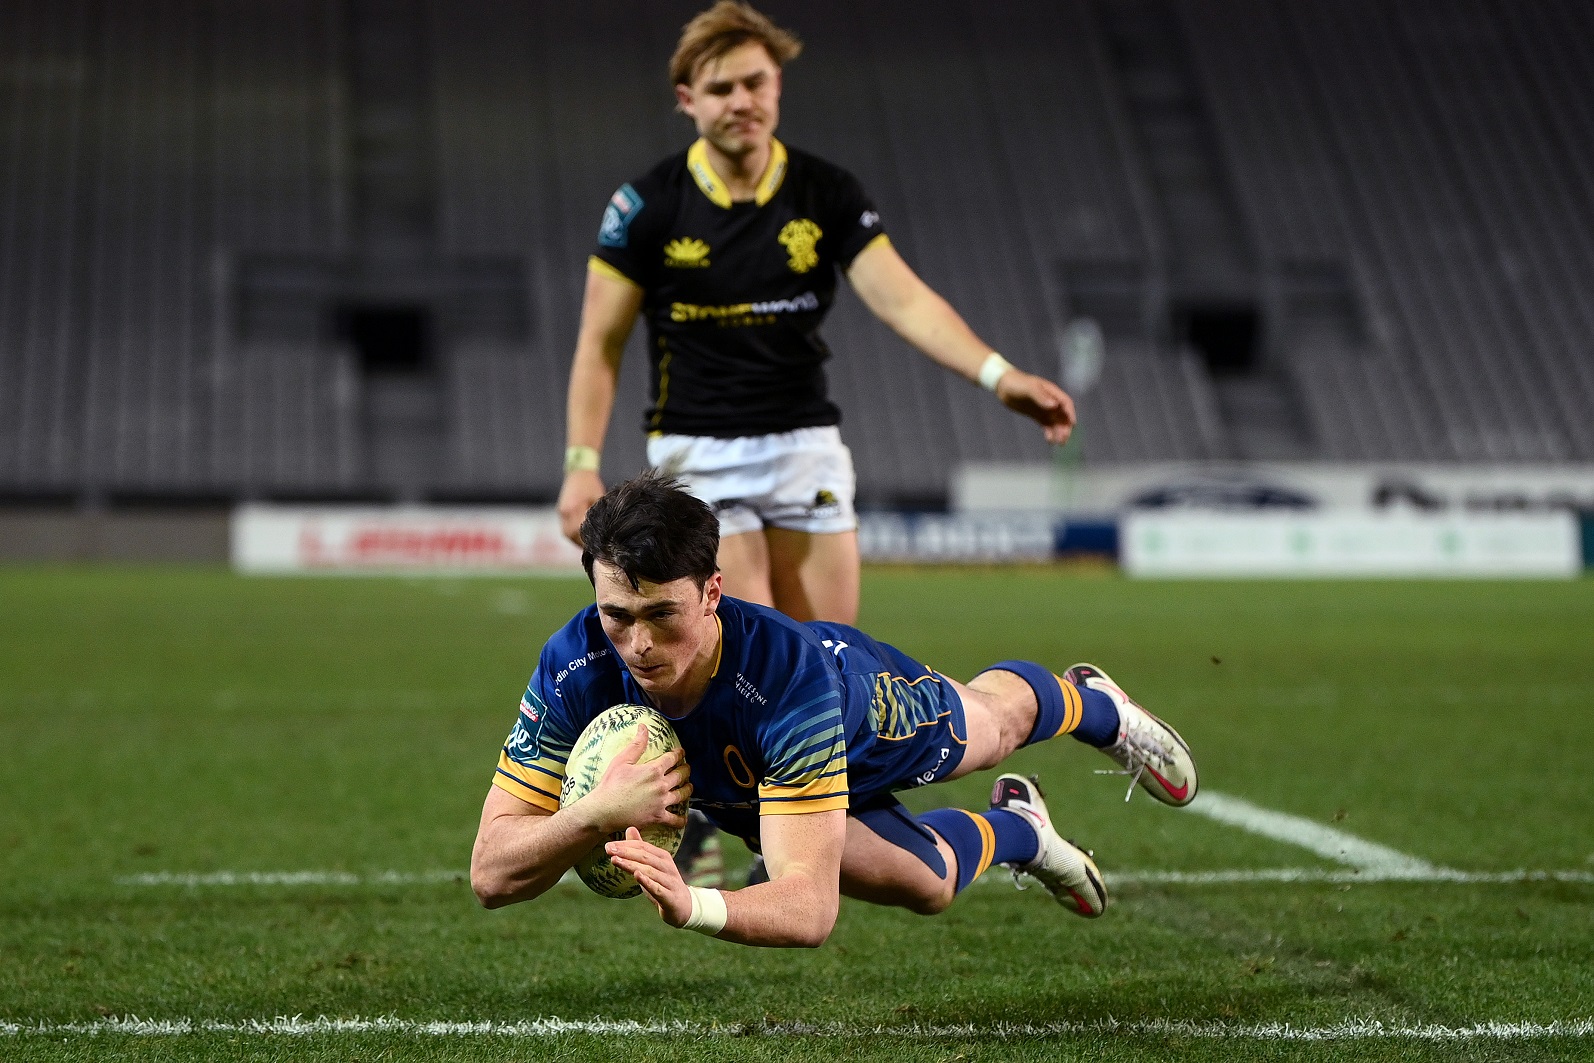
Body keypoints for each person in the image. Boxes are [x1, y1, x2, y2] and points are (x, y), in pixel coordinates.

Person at [472, 473, 1197, 947]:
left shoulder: (788, 683)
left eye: (663, 614)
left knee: (995, 729)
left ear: (714, 592)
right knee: (928, 885)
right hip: (755, 782)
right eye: (616, 614)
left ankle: (1094, 706)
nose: (637, 642)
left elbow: (809, 911)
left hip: (854, 709)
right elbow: (491, 873)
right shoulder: (575, 664)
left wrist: (694, 903)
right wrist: (589, 816)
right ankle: (1021, 829)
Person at [555, 1, 1076, 626]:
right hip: (700, 452)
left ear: (777, 86)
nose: (742, 100)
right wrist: (581, 465)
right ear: (687, 99)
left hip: (807, 447)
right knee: (755, 663)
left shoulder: (827, 192)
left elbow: (904, 299)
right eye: (721, 88)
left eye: (756, 82)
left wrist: (1000, 376)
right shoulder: (645, 206)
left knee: (829, 660)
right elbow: (599, 343)